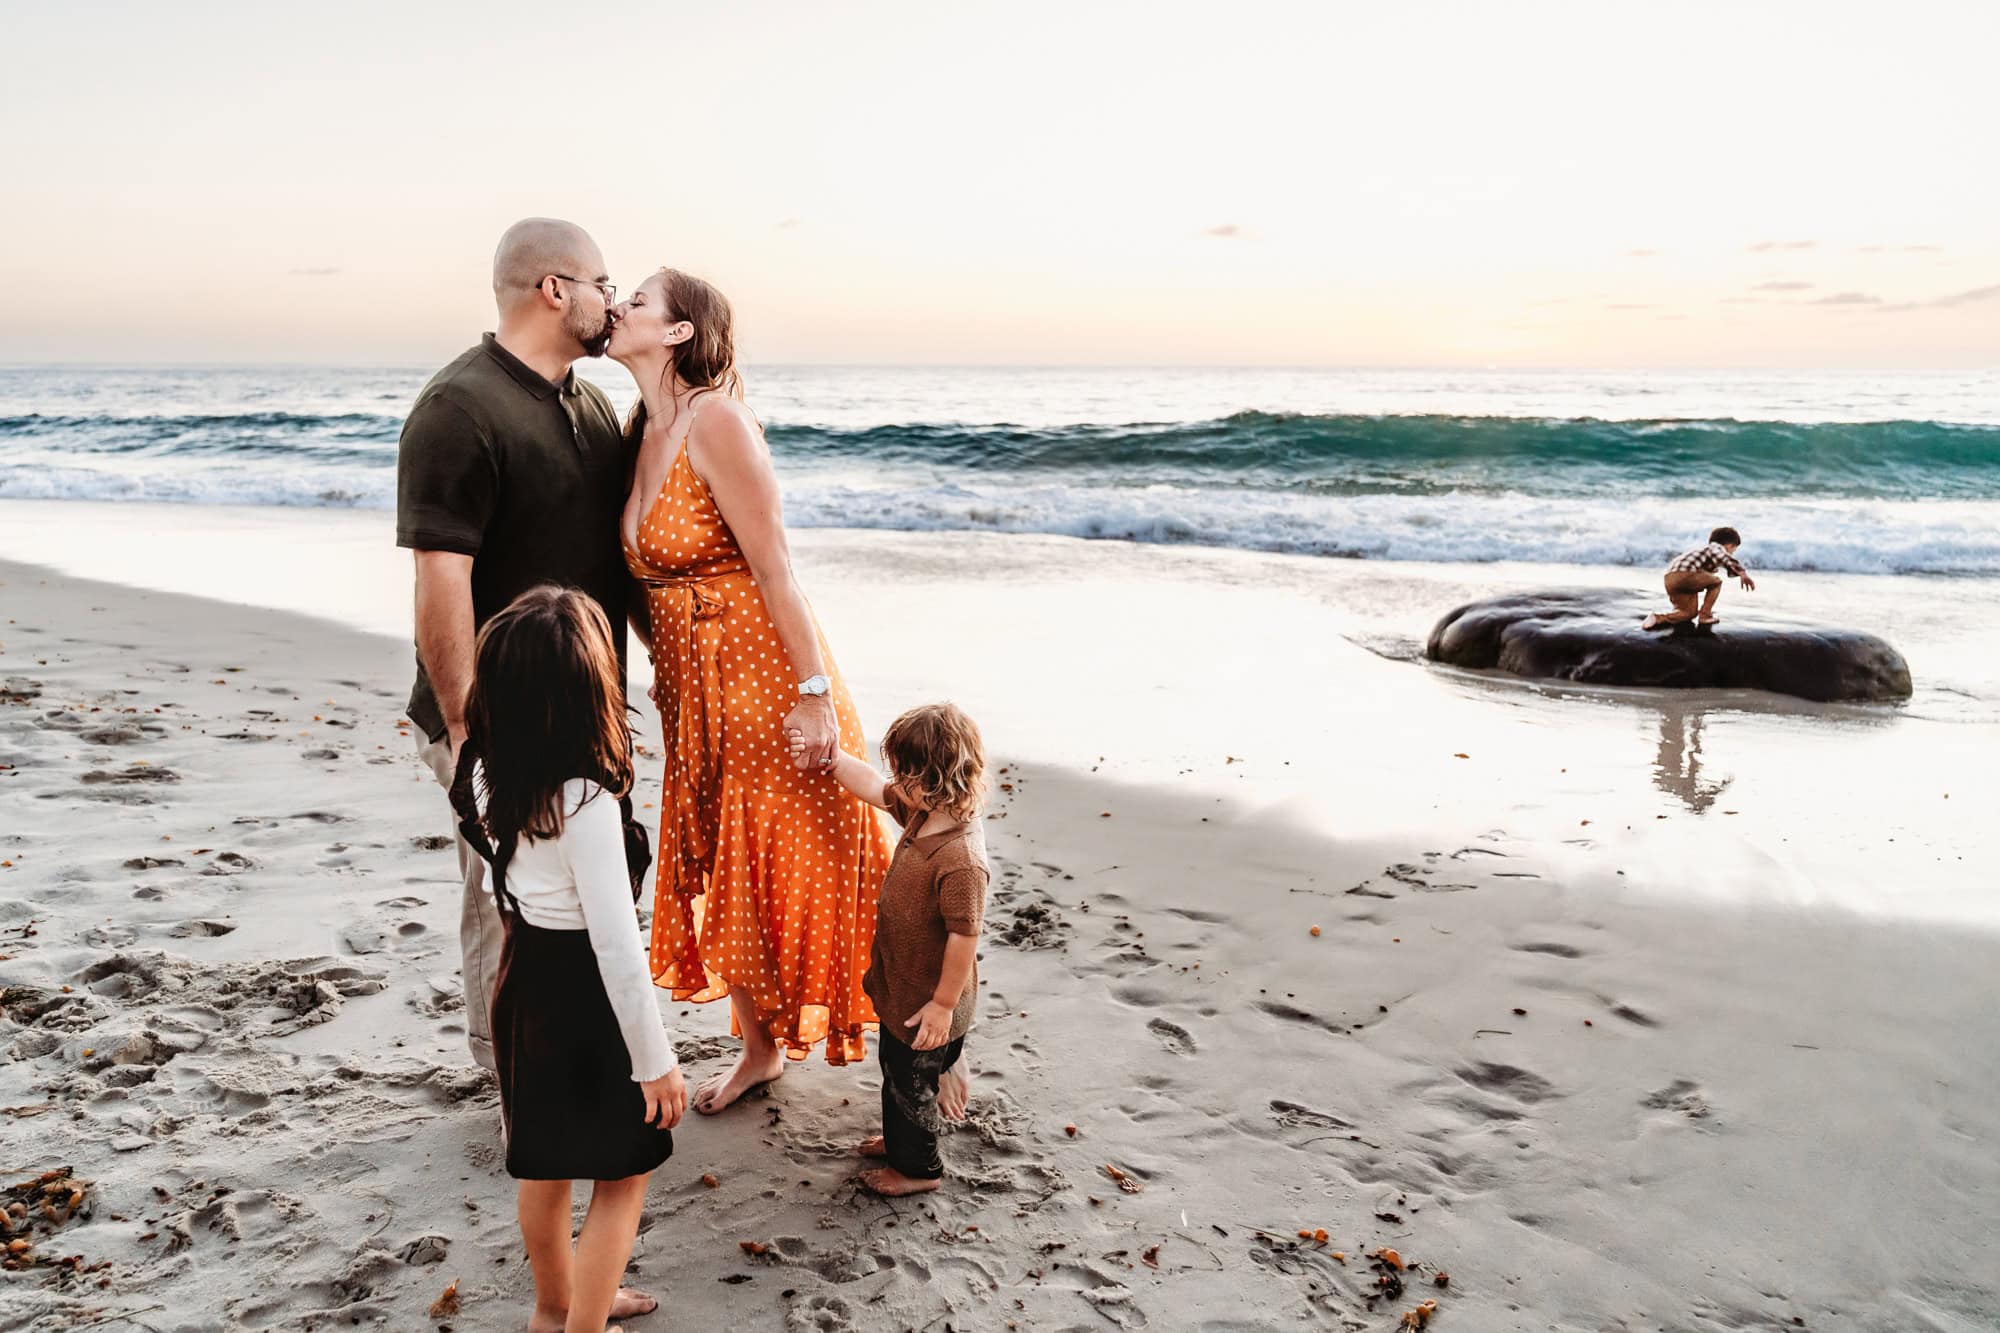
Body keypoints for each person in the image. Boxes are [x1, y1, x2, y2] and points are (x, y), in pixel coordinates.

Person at [607, 268, 895, 1113]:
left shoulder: (718, 421)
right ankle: (761, 1050)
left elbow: (777, 571)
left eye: (638, 301)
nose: (618, 306)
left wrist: (813, 694)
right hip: (694, 686)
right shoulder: (639, 430)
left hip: (767, 677)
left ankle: (927, 1040)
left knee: (810, 857)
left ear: (679, 333)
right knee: (722, 859)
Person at [396, 218, 627, 1074]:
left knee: (585, 891)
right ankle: (513, 1080)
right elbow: (440, 580)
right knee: (508, 902)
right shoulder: (458, 408)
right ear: (554, 289)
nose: (614, 298)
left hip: (587, 706)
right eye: (604, 282)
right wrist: (465, 732)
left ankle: (571, 1053)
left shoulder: (588, 401)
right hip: (493, 712)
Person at [448, 586, 686, 1333]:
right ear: (589, 693)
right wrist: (655, 1060)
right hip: (585, 998)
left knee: (544, 1163)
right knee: (624, 1173)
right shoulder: (586, 801)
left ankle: (556, 1307)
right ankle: (583, 1324)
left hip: (521, 983)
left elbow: (493, 879)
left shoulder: (488, 773)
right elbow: (616, 945)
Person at [796, 703, 990, 1196]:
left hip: (929, 1000)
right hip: (904, 988)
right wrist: (832, 759)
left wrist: (942, 1005)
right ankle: (903, 1137)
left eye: (905, 774)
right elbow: (870, 787)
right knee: (898, 1075)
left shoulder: (960, 859)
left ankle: (917, 1170)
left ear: (937, 780)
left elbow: (964, 936)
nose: (895, 781)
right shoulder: (923, 813)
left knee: (910, 1086)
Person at [1642, 526, 1757, 630]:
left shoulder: (1702, 551)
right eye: (1733, 550)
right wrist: (1742, 573)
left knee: (1689, 613)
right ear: (1729, 545)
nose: (1732, 553)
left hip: (1670, 579)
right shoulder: (1716, 547)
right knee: (1716, 582)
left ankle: (1657, 618)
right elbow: (1724, 557)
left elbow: (1704, 570)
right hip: (1685, 574)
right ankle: (1705, 615)